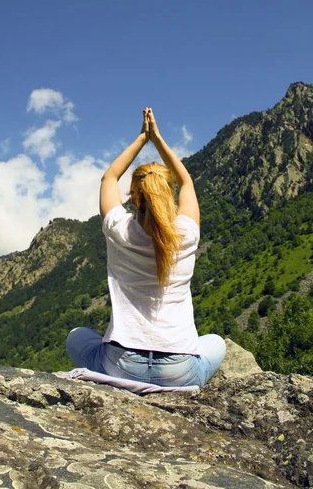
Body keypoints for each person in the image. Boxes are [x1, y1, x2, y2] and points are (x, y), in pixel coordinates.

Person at [66, 108, 226, 387]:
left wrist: (142, 138)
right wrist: (158, 139)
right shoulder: (186, 233)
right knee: (215, 342)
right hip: (178, 370)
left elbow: (108, 179)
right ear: (169, 194)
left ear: (134, 196)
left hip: (121, 365)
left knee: (77, 335)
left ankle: (121, 383)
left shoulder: (118, 229)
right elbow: (187, 181)